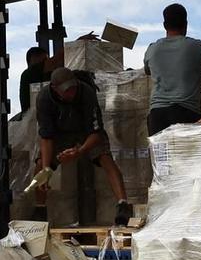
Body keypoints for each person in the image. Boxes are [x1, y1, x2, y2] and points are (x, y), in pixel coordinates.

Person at [36, 67, 133, 226]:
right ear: (54, 89)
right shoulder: (44, 98)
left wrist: (80, 151)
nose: (71, 93)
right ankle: (40, 209)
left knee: (105, 156)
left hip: (85, 132)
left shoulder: (86, 92)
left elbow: (96, 132)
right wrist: (47, 168)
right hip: (59, 134)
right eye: (66, 90)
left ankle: (123, 204)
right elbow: (46, 137)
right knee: (40, 166)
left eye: (73, 88)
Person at [144, 3, 201, 134]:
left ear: (164, 25)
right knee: (188, 154)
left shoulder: (152, 49)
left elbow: (147, 71)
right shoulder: (198, 48)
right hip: (188, 113)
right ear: (186, 23)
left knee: (161, 154)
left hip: (157, 115)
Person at [15, 46, 48, 113]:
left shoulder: (27, 75)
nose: (47, 62)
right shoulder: (28, 74)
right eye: (44, 60)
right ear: (33, 59)